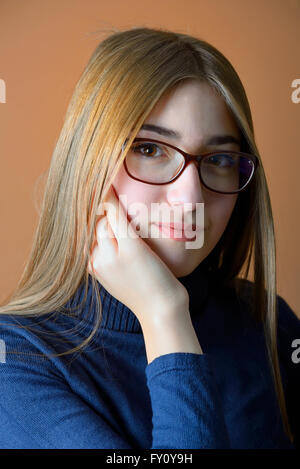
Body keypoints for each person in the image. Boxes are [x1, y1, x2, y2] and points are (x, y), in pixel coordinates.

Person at [0, 27, 299, 450]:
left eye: (219, 159)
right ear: (88, 161)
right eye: (150, 149)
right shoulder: (16, 362)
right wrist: (165, 316)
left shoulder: (270, 326)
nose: (190, 196)